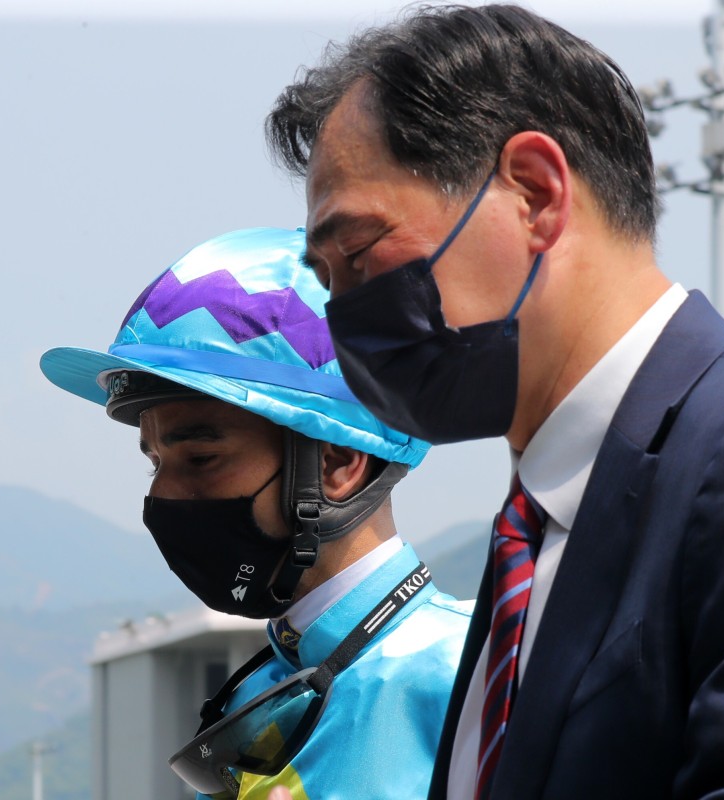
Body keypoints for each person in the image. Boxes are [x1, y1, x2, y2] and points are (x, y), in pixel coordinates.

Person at [265, 5, 724, 799]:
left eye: (359, 255)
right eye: (328, 284)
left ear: (534, 193)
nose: (348, 319)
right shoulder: (528, 544)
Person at [39, 227, 472, 800]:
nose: (163, 497)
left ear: (338, 462)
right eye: (155, 463)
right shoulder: (257, 697)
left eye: (200, 458)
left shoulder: (475, 683)